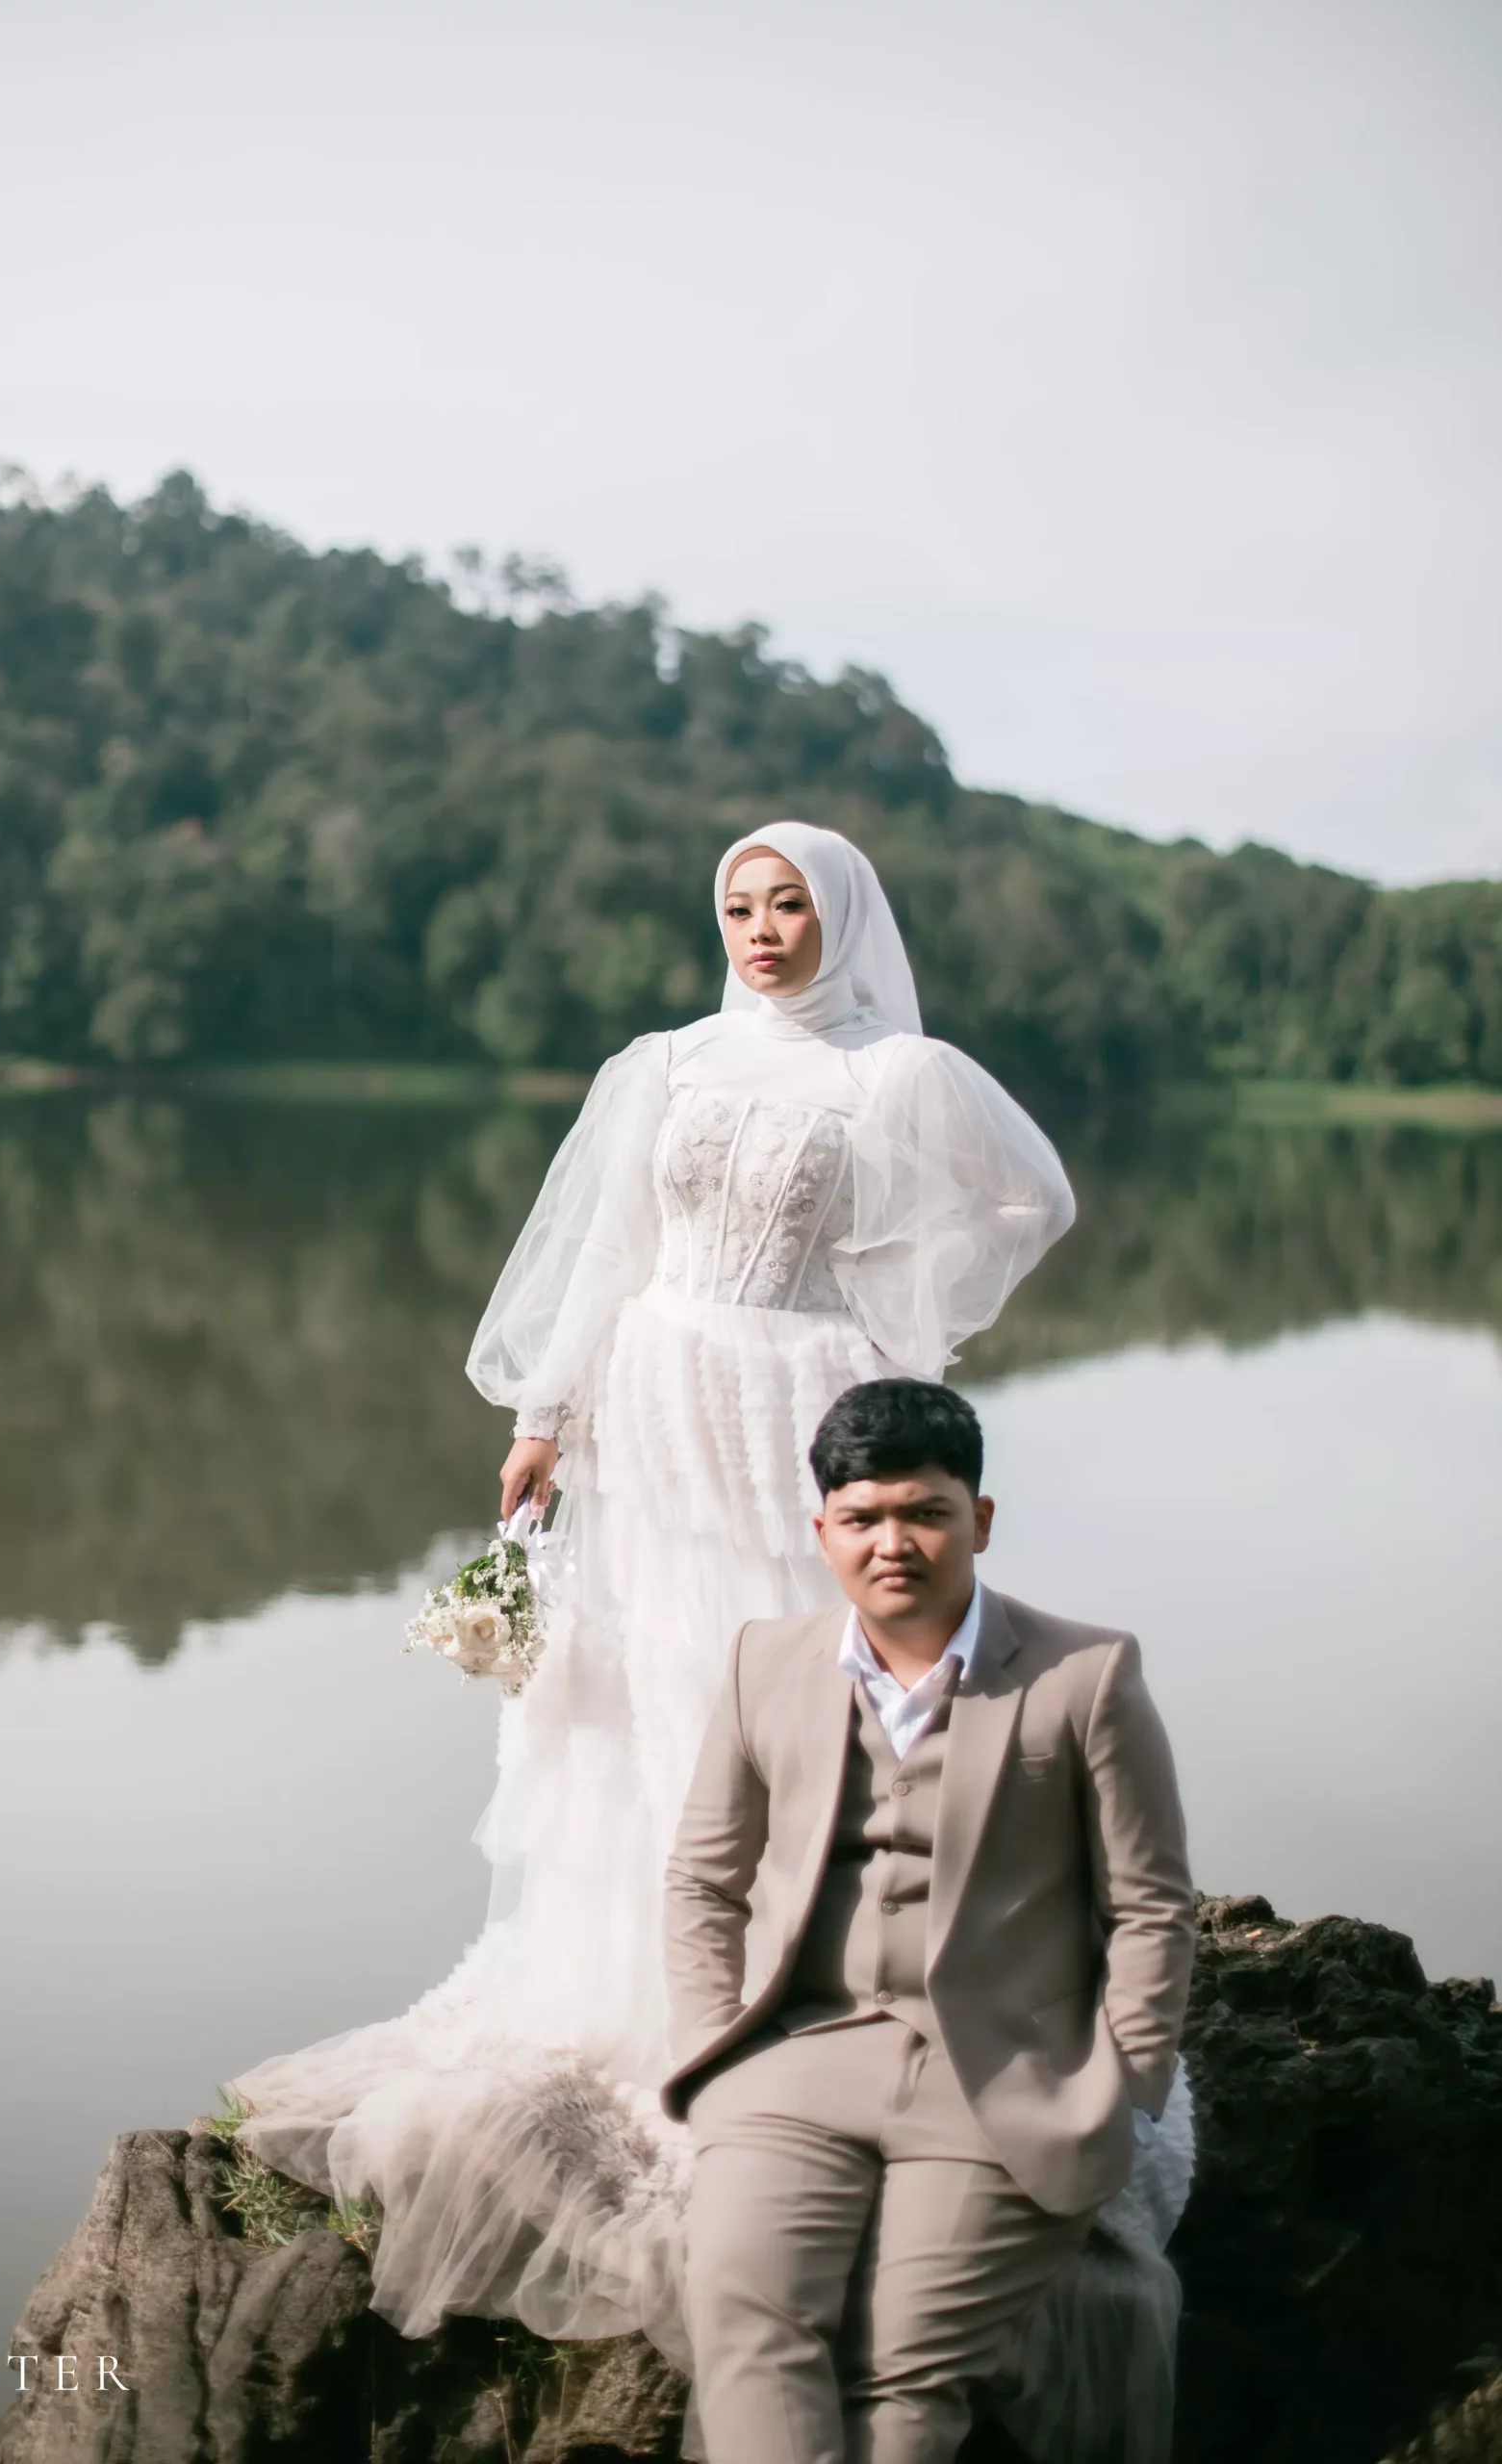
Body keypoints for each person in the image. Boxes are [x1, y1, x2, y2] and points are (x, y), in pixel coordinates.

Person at [227, 822, 1077, 2362]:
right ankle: (648, 1983)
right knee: (646, 1691)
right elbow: (608, 1250)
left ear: (842, 917)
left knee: (787, 1694)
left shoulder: (895, 1075)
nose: (761, 929)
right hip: (654, 1398)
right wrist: (543, 1418)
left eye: (789, 904)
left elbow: (1028, 1204)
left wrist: (891, 1326)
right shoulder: (666, 1064)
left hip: (796, 1406)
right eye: (738, 905)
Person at [666, 1376, 1196, 2464]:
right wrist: (711, 2047)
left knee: (904, 2370)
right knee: (745, 2318)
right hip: (798, 2055)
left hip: (997, 2068)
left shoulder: (1086, 1674)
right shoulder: (763, 1662)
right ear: (822, 1532)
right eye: (861, 1517)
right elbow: (701, 1882)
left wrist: (1125, 2081)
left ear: (979, 1519)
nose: (892, 1543)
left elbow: (1151, 1906)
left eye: (924, 1512)